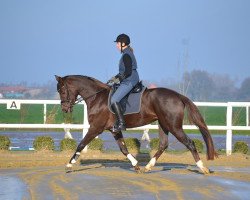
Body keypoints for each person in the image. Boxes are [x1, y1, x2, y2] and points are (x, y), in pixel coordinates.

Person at [107, 33, 140, 132]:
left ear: (123, 44)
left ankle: (121, 123)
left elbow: (128, 72)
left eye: (118, 43)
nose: (116, 45)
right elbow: (122, 72)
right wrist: (113, 79)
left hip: (129, 80)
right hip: (128, 79)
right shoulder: (127, 53)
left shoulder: (126, 55)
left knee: (114, 100)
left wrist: (118, 80)